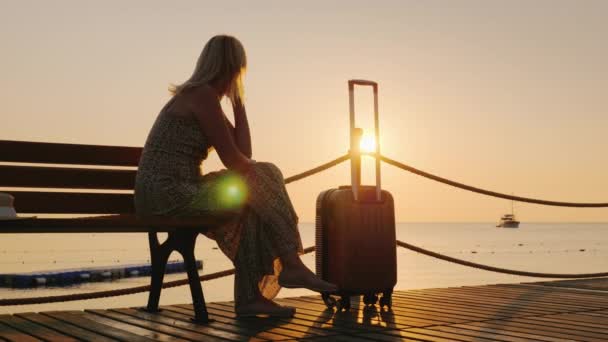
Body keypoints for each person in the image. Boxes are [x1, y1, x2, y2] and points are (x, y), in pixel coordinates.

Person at [134, 34, 337, 318]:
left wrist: (239, 101)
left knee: (250, 199)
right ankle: (289, 262)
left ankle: (251, 298)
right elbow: (235, 161)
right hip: (167, 192)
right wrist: (261, 173)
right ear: (231, 67)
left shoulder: (204, 98)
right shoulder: (201, 95)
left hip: (174, 189)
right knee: (265, 173)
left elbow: (243, 152)